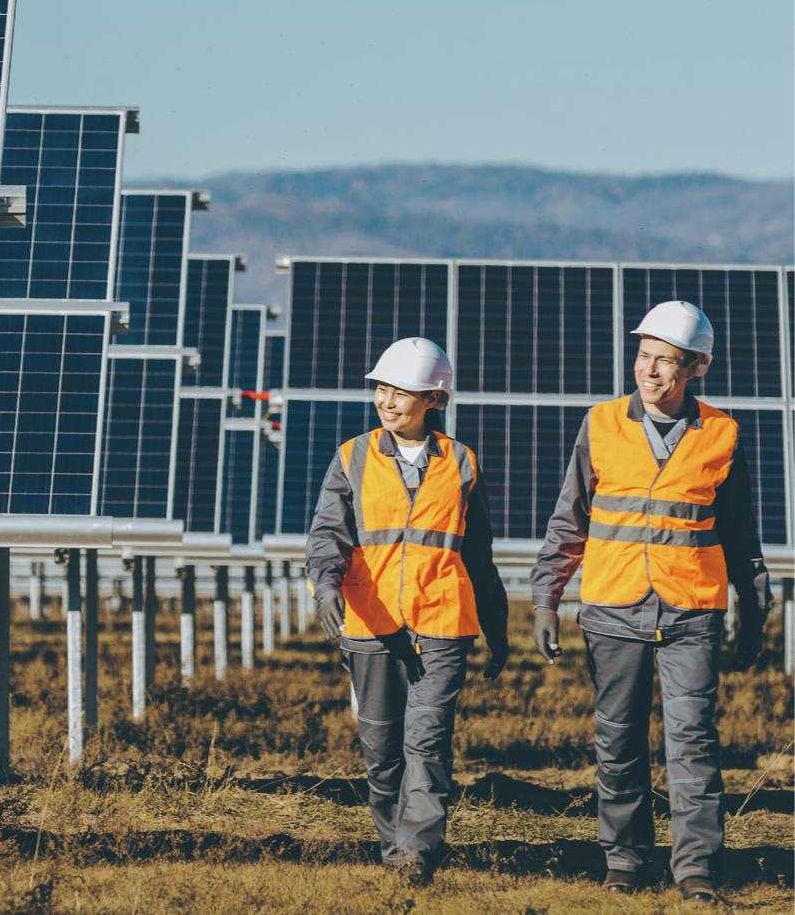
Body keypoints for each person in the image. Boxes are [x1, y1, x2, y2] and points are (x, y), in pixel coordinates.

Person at [531, 301, 771, 904]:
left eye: (666, 361)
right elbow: (570, 522)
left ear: (695, 367)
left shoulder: (722, 433)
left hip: (692, 610)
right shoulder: (602, 423)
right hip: (613, 609)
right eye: (644, 357)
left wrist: (755, 608)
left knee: (693, 742)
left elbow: (741, 533)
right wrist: (545, 599)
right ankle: (626, 859)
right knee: (617, 741)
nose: (651, 371)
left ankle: (696, 870)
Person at [306, 337, 509, 885]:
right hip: (371, 624)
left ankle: (415, 855)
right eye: (382, 389)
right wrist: (325, 589)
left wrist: (497, 625)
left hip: (442, 624)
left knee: (427, 739)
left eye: (402, 392)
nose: (387, 401)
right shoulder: (352, 455)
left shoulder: (462, 462)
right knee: (381, 747)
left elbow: (478, 551)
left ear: (434, 399)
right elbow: (328, 535)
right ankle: (393, 846)